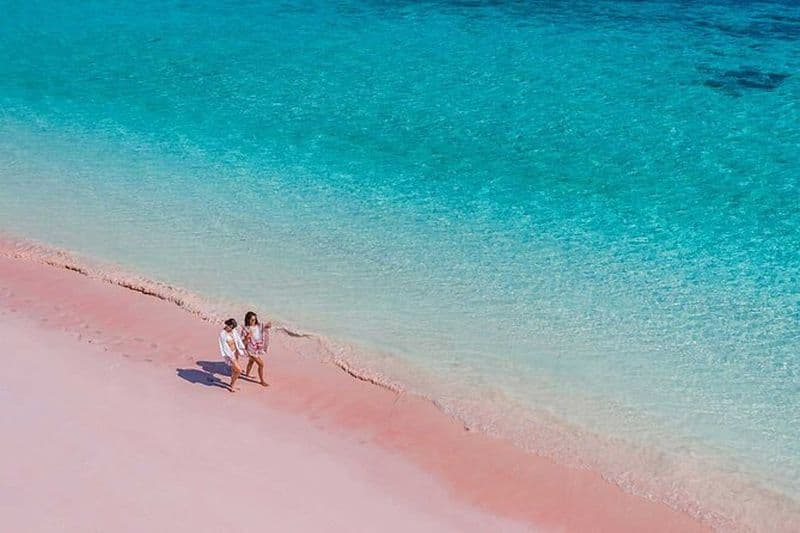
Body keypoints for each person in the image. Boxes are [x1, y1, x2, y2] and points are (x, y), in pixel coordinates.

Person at [241, 311, 271, 387]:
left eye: (254, 319)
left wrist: (268, 325)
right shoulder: (245, 329)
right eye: (252, 320)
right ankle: (262, 381)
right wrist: (246, 337)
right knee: (261, 364)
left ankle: (247, 374)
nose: (253, 321)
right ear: (248, 320)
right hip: (250, 350)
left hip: (256, 348)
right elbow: (242, 342)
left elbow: (265, 327)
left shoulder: (258, 326)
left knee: (251, 362)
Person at [219, 318, 246, 392]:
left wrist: (242, 349)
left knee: (234, 370)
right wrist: (230, 357)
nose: (231, 329)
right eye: (230, 327)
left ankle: (232, 385)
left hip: (235, 351)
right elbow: (224, 347)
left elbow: (238, 340)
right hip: (230, 354)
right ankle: (232, 384)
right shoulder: (222, 334)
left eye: (232, 327)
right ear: (227, 325)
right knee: (239, 370)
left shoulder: (233, 331)